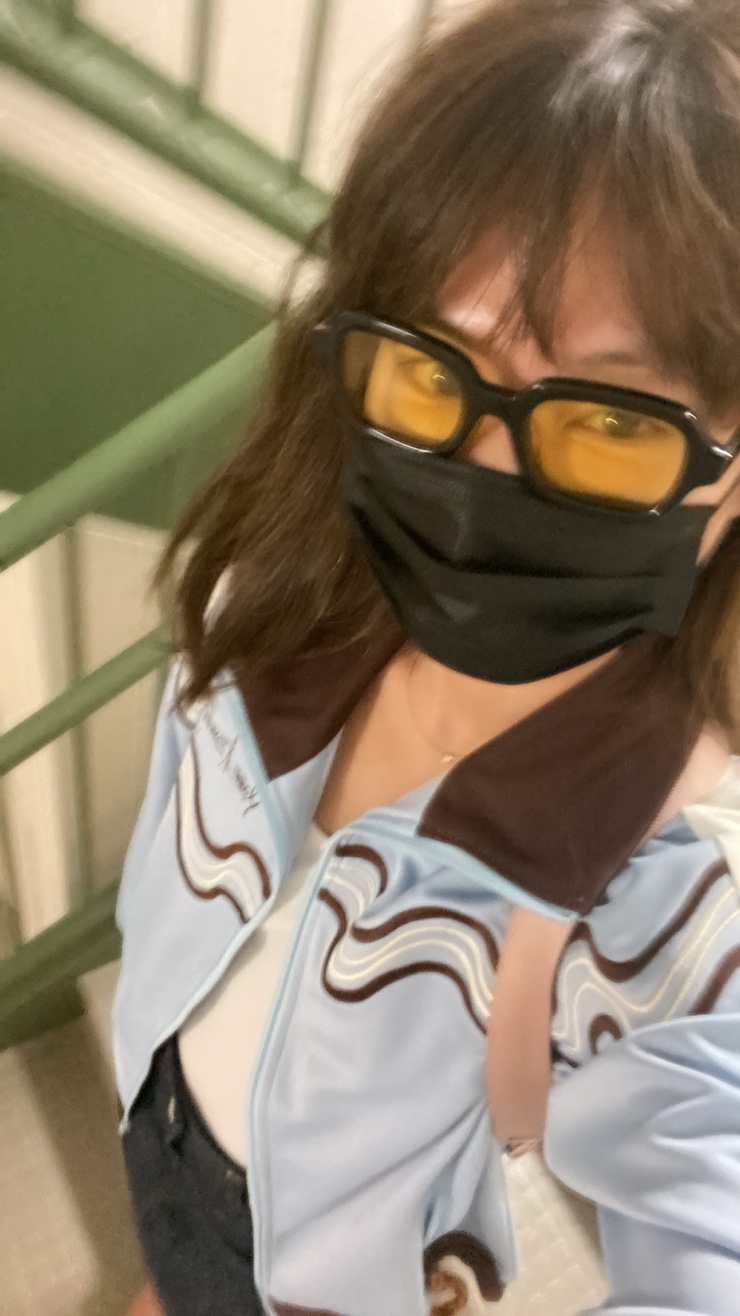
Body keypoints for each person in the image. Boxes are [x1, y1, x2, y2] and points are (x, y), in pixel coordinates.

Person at [115, 2, 740, 1313]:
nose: (477, 478)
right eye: (428, 370)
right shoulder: (268, 597)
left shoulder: (673, 895)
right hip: (153, 1114)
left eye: (606, 422)